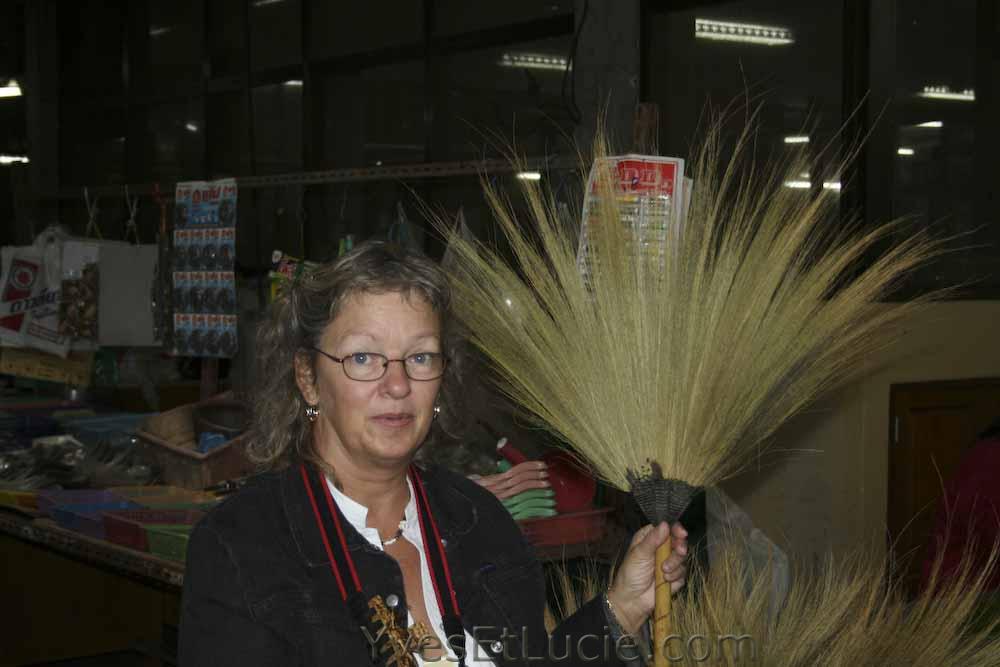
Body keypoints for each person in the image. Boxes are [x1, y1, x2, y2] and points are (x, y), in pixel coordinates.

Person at [179, 240, 689, 666]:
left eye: (420, 356)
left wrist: (622, 607)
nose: (397, 384)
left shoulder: (478, 521)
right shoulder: (242, 546)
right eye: (363, 357)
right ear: (309, 379)